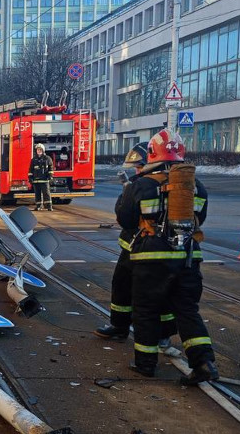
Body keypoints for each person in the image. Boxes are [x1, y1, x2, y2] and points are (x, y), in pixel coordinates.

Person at [116, 129, 217, 385]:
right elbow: (199, 220)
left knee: (146, 311)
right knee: (187, 311)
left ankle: (146, 364)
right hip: (187, 259)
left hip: (150, 261)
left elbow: (125, 220)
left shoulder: (142, 184)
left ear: (151, 154)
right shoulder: (197, 187)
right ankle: (204, 362)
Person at [95, 143, 177, 348]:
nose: (137, 171)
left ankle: (163, 334)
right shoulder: (137, 183)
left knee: (157, 293)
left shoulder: (156, 184)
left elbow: (126, 217)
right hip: (132, 246)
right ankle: (119, 326)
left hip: (153, 250)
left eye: (139, 167)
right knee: (121, 285)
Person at [28, 143, 54, 211]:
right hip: (36, 181)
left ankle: (49, 206)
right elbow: (31, 169)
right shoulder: (33, 160)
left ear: (43, 150)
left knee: (46, 193)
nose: (38, 151)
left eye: (40, 150)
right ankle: (38, 206)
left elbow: (51, 168)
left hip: (45, 180)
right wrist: (30, 178)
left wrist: (50, 176)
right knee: (37, 194)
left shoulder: (47, 159)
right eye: (37, 150)